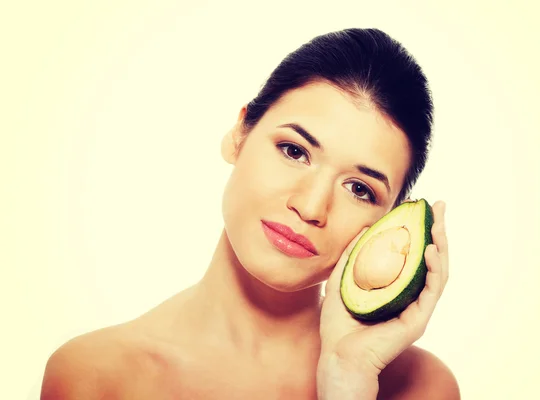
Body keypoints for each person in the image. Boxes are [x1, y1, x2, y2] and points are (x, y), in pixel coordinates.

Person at [40, 28, 459, 399]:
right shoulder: (92, 377)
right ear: (240, 135)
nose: (311, 207)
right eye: (295, 151)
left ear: (387, 222)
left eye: (359, 189)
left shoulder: (421, 388)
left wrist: (345, 381)